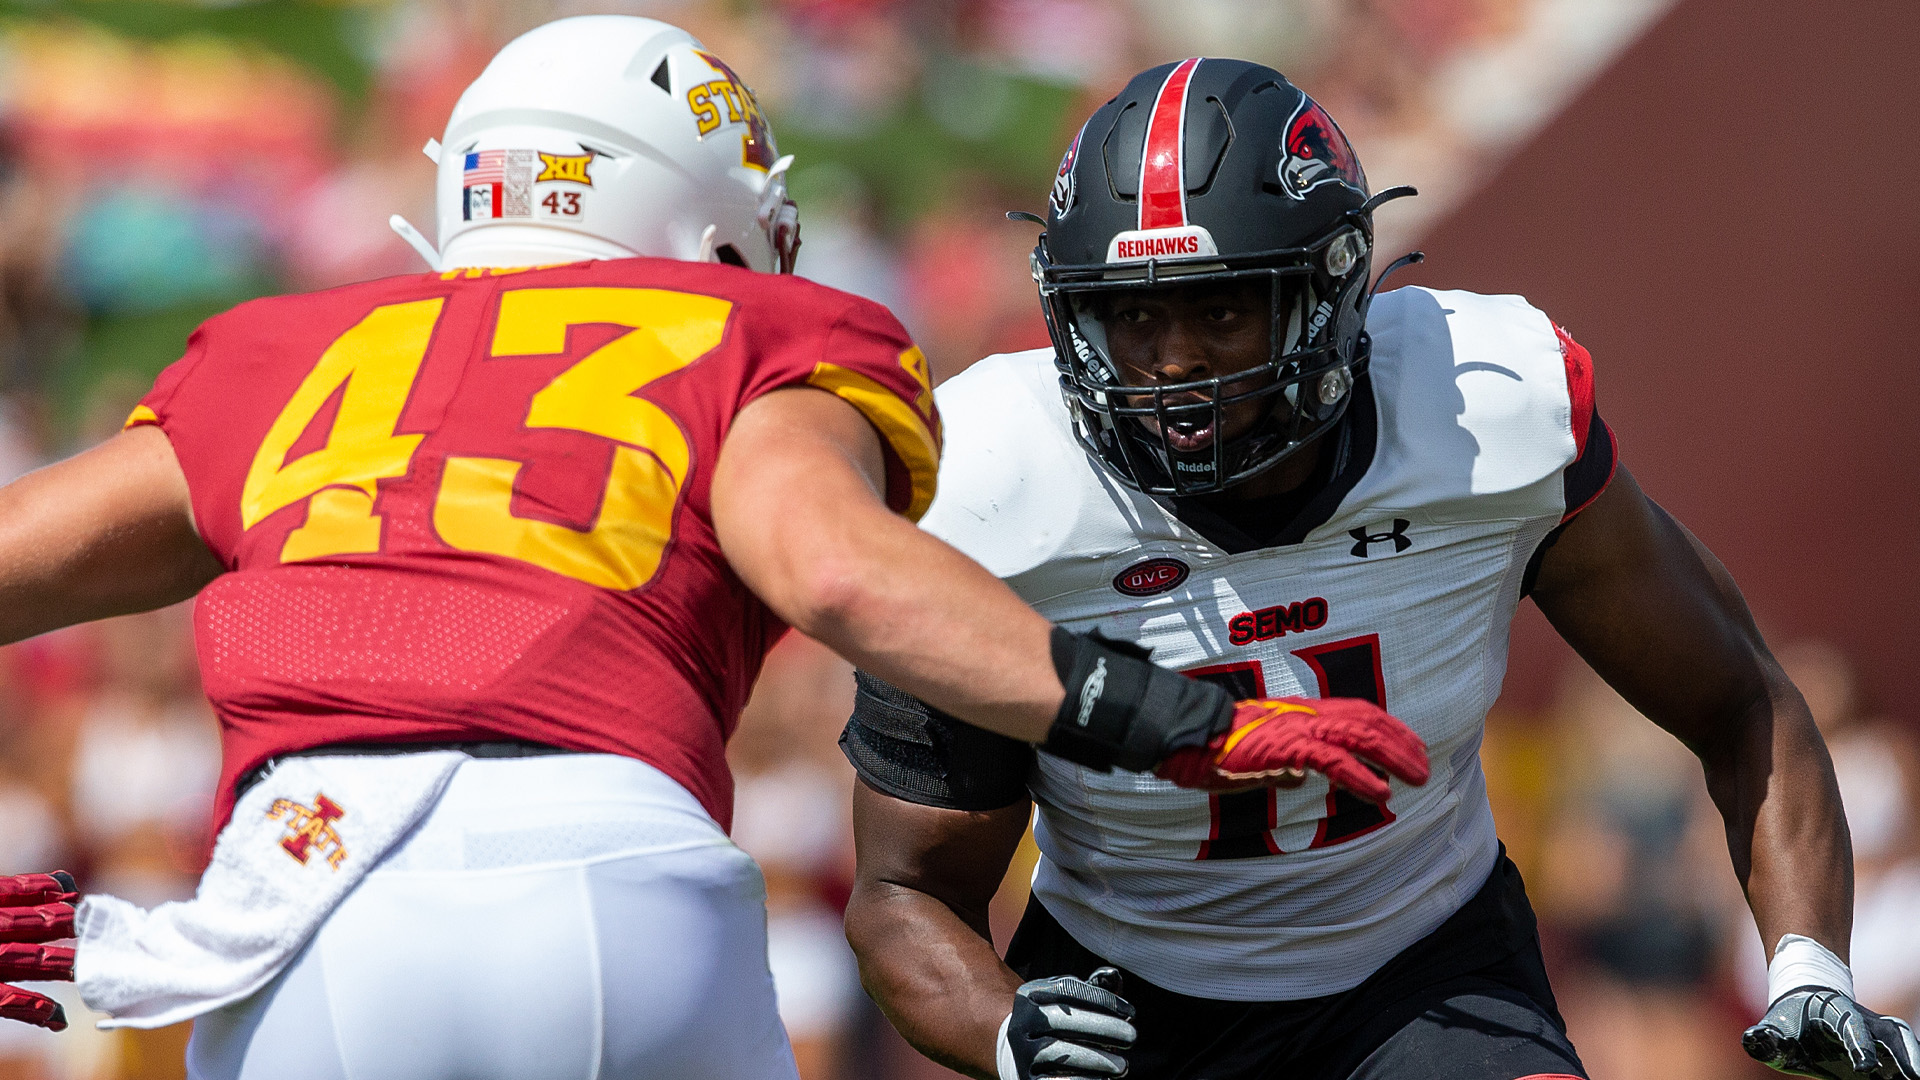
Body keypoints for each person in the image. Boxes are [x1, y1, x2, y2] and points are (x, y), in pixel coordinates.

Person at [0, 27, 1425, 1080]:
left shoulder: (274, 353)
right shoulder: (750, 331)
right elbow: (838, 573)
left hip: (304, 909)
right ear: (691, 208)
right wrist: (1167, 714)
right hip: (610, 887)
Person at [839, 58, 1920, 1080]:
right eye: (1132, 315)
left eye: (1218, 309)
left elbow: (1740, 700)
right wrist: (1005, 1031)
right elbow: (903, 892)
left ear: (1331, 290)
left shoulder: (1483, 413)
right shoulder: (988, 487)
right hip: (1125, 1002)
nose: (1171, 362)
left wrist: (1810, 964)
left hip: (1427, 973)